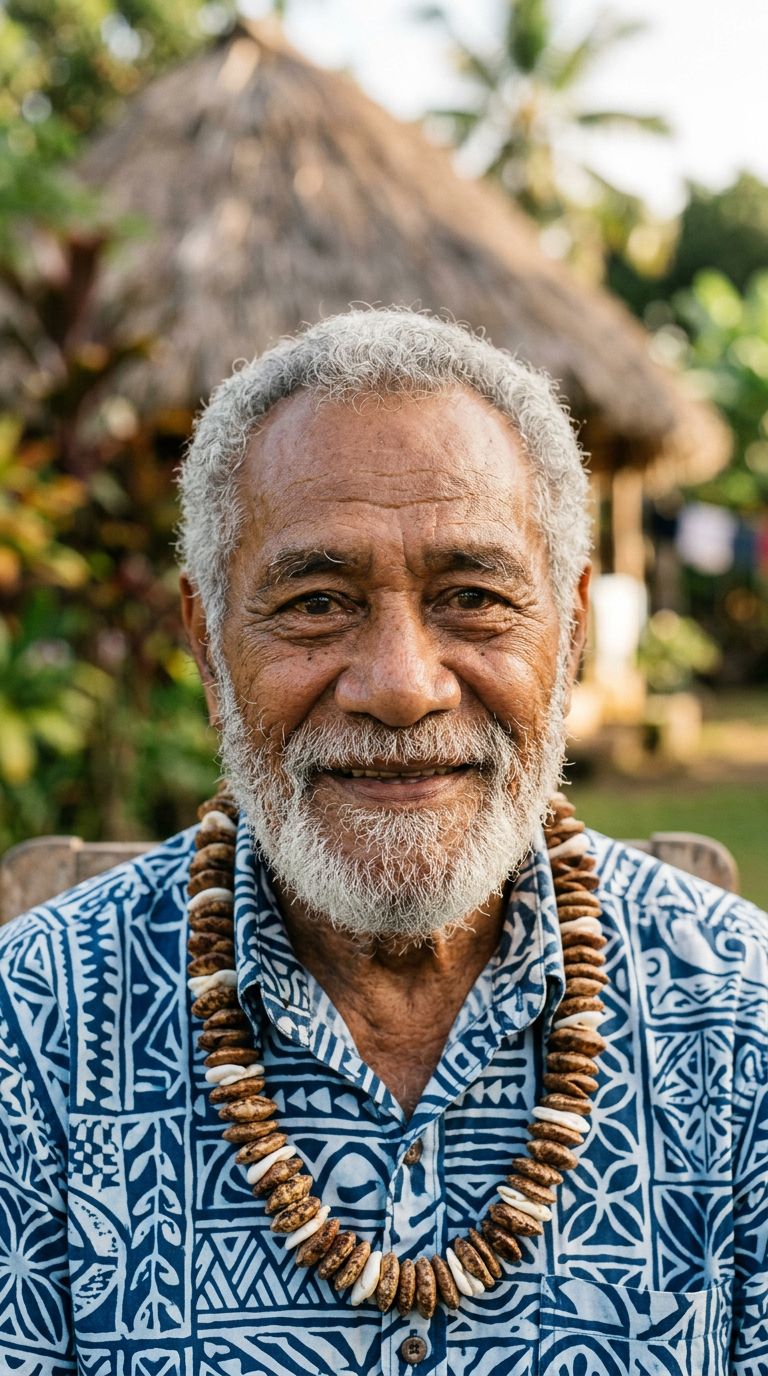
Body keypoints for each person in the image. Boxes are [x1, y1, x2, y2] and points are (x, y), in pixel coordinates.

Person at [0, 309, 765, 1376]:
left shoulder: (741, 1019)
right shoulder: (32, 1031)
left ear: (572, 633)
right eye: (317, 602)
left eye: (473, 597)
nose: (403, 685)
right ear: (210, 648)